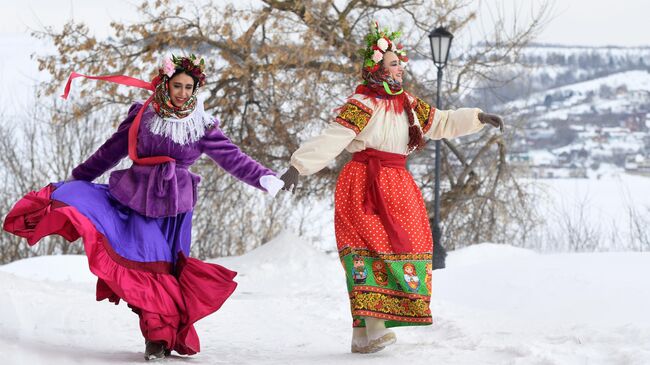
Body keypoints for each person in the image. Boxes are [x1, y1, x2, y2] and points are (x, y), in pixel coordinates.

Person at [3, 54, 284, 360]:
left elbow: (233, 158)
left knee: (165, 272)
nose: (183, 93)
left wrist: (264, 178)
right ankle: (157, 341)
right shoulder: (143, 116)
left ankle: (161, 336)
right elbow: (109, 152)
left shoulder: (201, 125)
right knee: (149, 269)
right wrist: (77, 178)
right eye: (177, 85)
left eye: (189, 87)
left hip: (175, 211)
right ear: (164, 84)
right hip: (136, 201)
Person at [280, 23, 503, 354]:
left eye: (400, 63)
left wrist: (477, 118)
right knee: (368, 251)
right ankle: (374, 325)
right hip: (363, 184)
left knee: (410, 245)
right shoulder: (362, 104)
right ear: (377, 69)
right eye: (393, 63)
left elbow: (440, 122)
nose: (400, 68)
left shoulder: (407, 103)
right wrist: (298, 166)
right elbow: (334, 138)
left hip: (398, 184)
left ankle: (361, 335)